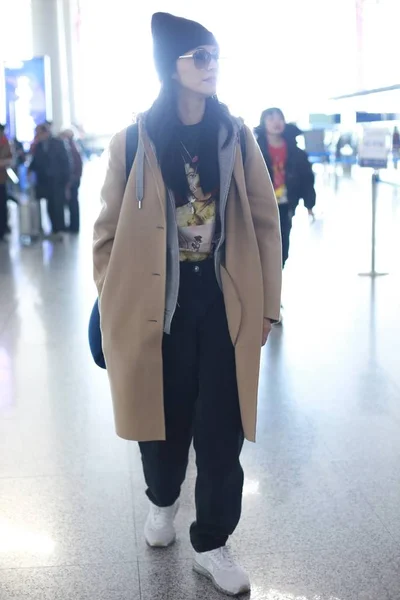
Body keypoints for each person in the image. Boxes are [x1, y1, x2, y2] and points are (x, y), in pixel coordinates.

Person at [93, 12, 282, 596]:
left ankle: (212, 541)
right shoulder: (134, 140)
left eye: (215, 55)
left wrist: (268, 306)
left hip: (222, 301)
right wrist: (114, 299)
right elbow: (104, 233)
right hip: (157, 303)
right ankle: (162, 499)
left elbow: (264, 222)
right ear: (170, 67)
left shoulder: (235, 135)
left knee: (222, 425)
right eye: (199, 56)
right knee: (162, 418)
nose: (211, 66)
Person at [255, 108, 316, 268]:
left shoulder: (296, 152)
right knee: (262, 245)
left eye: (279, 118)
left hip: (285, 204)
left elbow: (306, 179)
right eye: (271, 118)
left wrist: (310, 205)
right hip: (261, 205)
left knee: (282, 243)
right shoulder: (254, 150)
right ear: (263, 123)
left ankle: (278, 272)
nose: (276, 122)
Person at [29, 123, 70, 238]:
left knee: (58, 206)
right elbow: (35, 161)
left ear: (45, 132)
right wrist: (30, 170)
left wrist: (66, 180)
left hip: (57, 181)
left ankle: (60, 229)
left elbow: (66, 162)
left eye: (39, 133)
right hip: (44, 182)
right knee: (49, 206)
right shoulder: (38, 146)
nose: (37, 135)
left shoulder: (58, 143)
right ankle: (53, 229)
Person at [60, 129, 83, 233]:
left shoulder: (70, 148)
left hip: (73, 179)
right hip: (74, 178)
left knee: (73, 202)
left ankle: (74, 226)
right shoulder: (74, 146)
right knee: (72, 202)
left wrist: (70, 180)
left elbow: (73, 165)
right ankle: (73, 226)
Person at [0, 124, 13, 241]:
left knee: (2, 206)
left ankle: (2, 229)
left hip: (1, 179)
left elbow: (9, 159)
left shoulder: (4, 142)